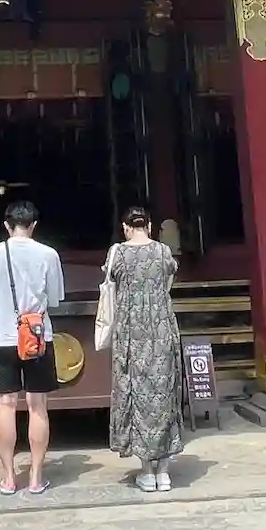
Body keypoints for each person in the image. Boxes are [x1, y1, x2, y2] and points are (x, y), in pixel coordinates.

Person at [0, 199, 65, 496]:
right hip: (37, 338)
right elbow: (55, 298)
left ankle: (9, 477)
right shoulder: (48, 254)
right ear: (34, 225)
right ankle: (36, 477)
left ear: (7, 225)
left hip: (2, 337)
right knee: (37, 404)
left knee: (5, 404)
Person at [107, 205, 183, 492]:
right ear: (149, 226)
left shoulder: (118, 253)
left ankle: (147, 472)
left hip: (131, 334)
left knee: (136, 395)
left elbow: (110, 282)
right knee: (164, 396)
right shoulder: (163, 252)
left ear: (125, 228)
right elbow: (168, 282)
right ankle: (164, 473)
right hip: (162, 330)